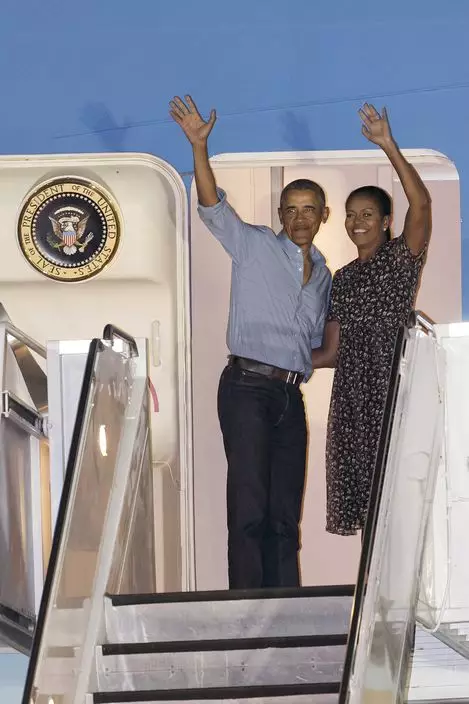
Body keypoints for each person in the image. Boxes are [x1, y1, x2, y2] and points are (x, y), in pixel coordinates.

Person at [170, 95, 332, 589]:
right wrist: (199, 147)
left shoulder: (324, 275)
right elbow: (212, 207)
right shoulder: (255, 244)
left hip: (289, 396)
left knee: (284, 516)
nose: (299, 219)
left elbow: (314, 345)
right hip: (246, 388)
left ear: (323, 216)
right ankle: (243, 611)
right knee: (249, 509)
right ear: (280, 214)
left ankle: (285, 610)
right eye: (291, 210)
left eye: (309, 210)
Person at [311, 103, 431, 537]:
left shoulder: (400, 259)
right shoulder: (342, 279)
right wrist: (275, 359)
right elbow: (330, 353)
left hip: (392, 394)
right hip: (352, 405)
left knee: (403, 508)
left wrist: (388, 145)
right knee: (369, 518)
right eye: (350, 214)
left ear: (385, 221)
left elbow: (422, 203)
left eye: (366, 214)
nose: (357, 222)